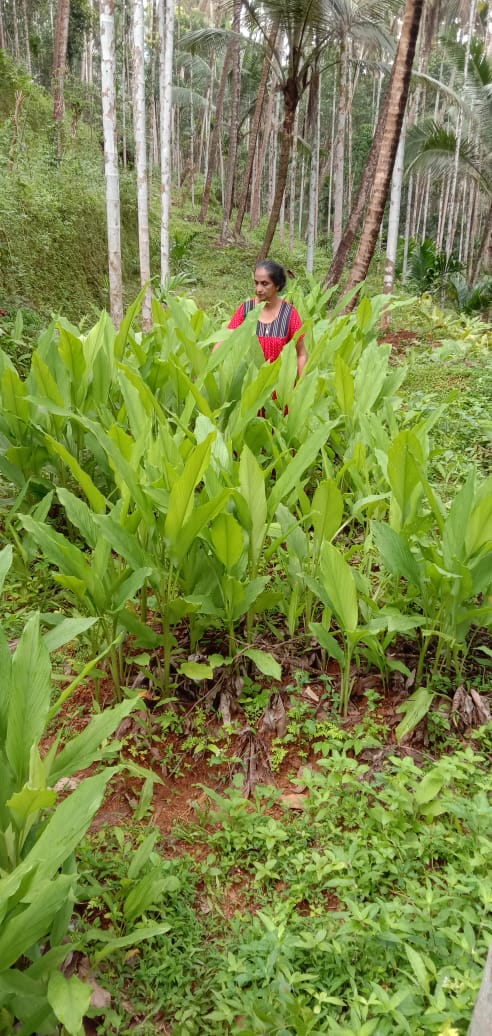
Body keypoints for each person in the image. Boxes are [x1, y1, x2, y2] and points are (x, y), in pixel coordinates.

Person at [217, 260, 307, 379]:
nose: (258, 289)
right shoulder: (246, 310)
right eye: (256, 283)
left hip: (279, 389)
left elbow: (301, 354)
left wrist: (301, 387)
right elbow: (225, 340)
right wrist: (207, 369)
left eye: (264, 284)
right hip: (248, 389)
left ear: (277, 285)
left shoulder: (289, 313)